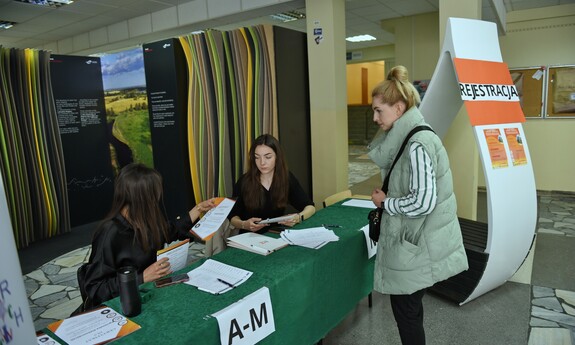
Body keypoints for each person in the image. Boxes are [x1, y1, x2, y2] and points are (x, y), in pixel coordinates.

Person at [368, 66, 468, 345]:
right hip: (414, 241)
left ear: (399, 109)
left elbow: (423, 202)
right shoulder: (411, 137)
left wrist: (386, 202)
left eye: (379, 111)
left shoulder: (417, 144)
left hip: (414, 245)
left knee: (407, 313)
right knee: (410, 310)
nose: (375, 117)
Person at [75, 163, 217, 313]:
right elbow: (96, 289)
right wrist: (142, 277)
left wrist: (199, 209)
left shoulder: (145, 219)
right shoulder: (109, 233)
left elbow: (171, 230)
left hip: (148, 295)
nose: (158, 197)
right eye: (154, 193)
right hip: (121, 307)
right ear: (142, 198)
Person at [229, 134, 315, 233]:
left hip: (276, 234)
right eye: (257, 157)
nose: (262, 163)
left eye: (268, 157)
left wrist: (298, 217)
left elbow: (310, 207)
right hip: (249, 237)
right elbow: (233, 217)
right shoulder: (244, 181)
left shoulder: (286, 178)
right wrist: (244, 224)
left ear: (277, 157)